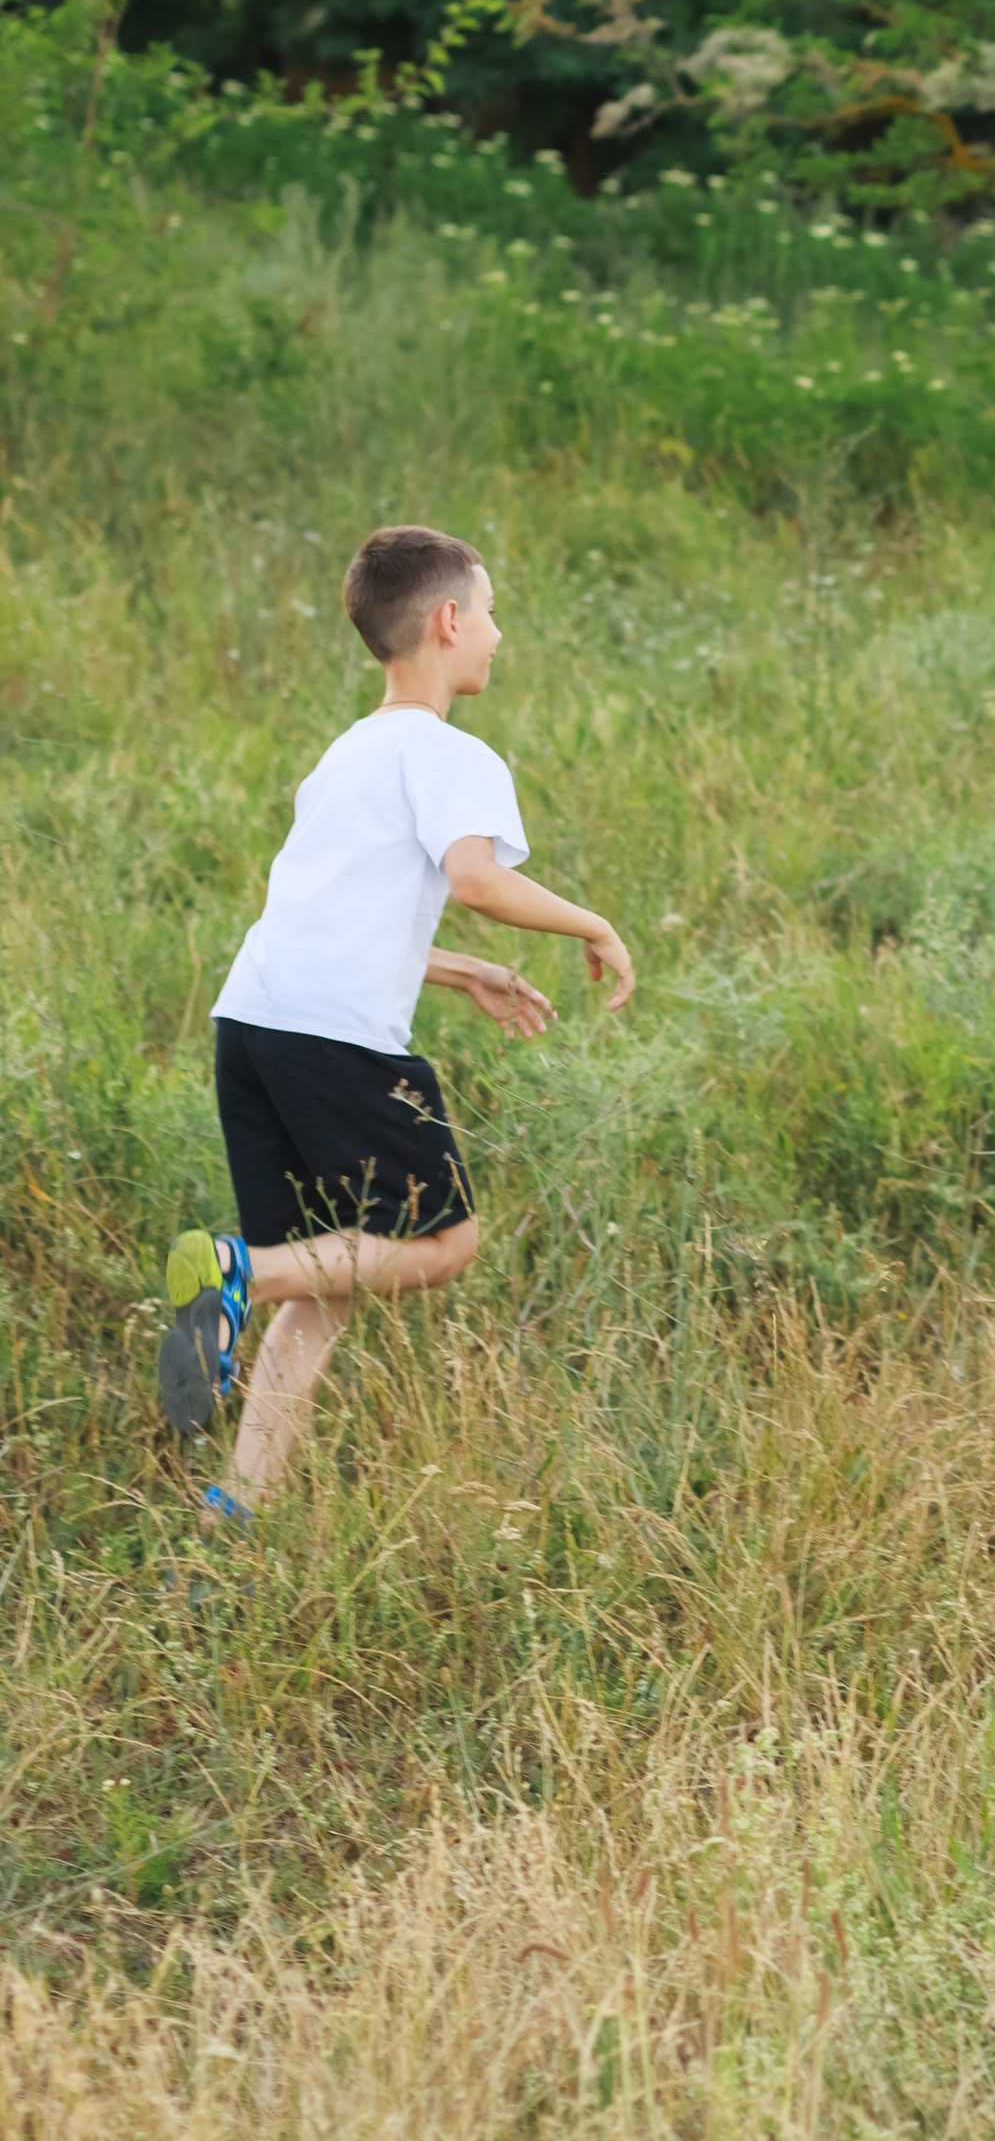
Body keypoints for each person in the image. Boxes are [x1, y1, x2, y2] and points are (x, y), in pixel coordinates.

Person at [157, 524, 635, 1517]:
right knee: (443, 1244)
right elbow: (476, 878)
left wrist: (459, 973)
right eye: (492, 613)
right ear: (449, 620)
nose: (499, 634)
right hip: (336, 1039)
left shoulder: (346, 755)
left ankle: (235, 1510)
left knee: (326, 1281)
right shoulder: (451, 753)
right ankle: (235, 1272)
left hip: (251, 1026)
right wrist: (593, 923)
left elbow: (330, 915)